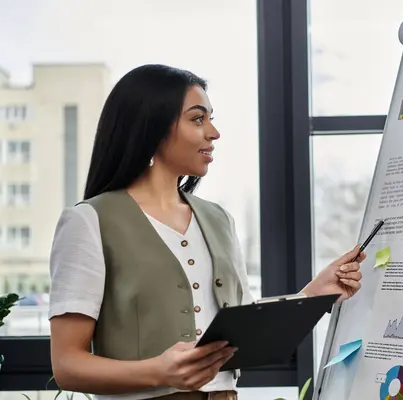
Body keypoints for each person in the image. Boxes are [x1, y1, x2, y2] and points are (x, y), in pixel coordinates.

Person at [48, 64, 366, 400]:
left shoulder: (218, 220)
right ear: (152, 127)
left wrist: (314, 296)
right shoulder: (89, 222)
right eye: (198, 119)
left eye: (210, 118)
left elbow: (241, 330)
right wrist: (157, 371)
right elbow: (67, 365)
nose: (213, 132)